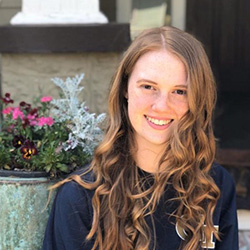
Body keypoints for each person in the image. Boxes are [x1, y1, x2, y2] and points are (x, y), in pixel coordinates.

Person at [43, 26, 238, 250]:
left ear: (197, 99)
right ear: (125, 88)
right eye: (148, 87)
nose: (161, 106)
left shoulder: (215, 187)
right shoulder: (81, 196)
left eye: (179, 91)